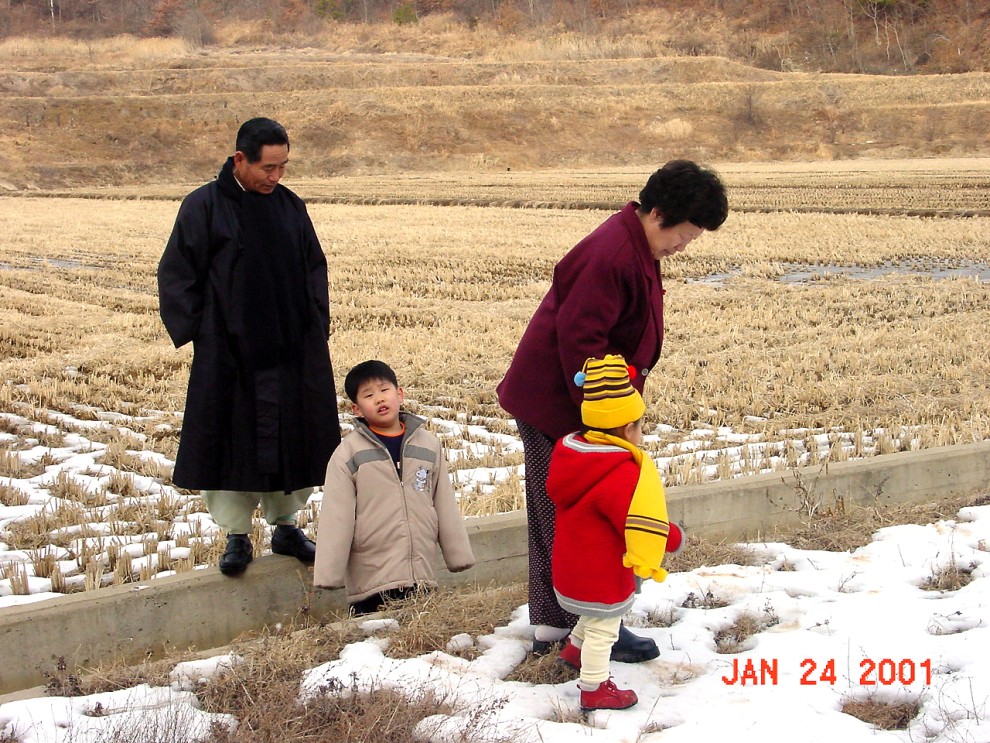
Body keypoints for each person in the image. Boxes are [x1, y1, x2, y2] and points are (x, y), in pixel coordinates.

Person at [496, 160, 727, 660]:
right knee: (571, 521)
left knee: (570, 518)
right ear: (659, 213)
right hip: (559, 404)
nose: (682, 247)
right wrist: (607, 425)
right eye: (684, 236)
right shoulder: (612, 254)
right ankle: (578, 628)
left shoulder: (634, 244)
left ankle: (574, 625)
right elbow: (582, 344)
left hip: (585, 404)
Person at [157, 117, 342, 577]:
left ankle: (286, 526)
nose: (276, 176)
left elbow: (313, 267)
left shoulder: (290, 206)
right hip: (230, 355)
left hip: (289, 350)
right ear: (240, 160)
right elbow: (177, 272)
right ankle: (236, 535)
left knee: (293, 437)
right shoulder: (203, 206)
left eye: (283, 167)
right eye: (268, 168)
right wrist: (204, 331)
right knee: (228, 441)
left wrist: (315, 325)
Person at [548, 354, 682, 711]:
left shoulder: (572, 455)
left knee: (592, 616)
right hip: (600, 571)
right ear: (626, 429)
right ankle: (595, 688)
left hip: (571, 565)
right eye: (640, 426)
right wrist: (671, 537)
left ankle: (575, 650)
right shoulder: (619, 473)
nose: (641, 433)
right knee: (604, 626)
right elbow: (635, 519)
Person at [313, 360, 476, 614]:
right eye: (368, 395)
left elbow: (444, 502)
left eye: (384, 390)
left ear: (399, 394)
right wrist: (329, 574)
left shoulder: (428, 445)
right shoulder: (349, 453)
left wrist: (459, 556)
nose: (379, 398)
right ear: (356, 409)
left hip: (421, 574)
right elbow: (336, 516)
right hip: (372, 580)